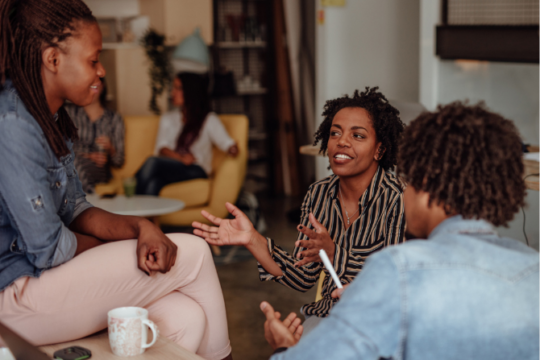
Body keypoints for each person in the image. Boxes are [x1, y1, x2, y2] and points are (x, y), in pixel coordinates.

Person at [0, 1, 231, 359]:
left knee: (185, 316)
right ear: (52, 59)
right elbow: (49, 248)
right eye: (93, 60)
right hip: (14, 296)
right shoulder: (13, 125)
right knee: (196, 253)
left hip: (42, 284)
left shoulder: (51, 121)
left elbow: (76, 208)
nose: (101, 71)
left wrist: (141, 227)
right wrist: (119, 247)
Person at [259, 102, 539, 359]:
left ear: (425, 183)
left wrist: (284, 347)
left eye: (409, 180)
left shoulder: (399, 270)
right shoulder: (533, 269)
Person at [193, 88, 406, 332]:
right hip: (329, 318)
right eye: (335, 133)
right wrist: (252, 239)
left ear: (379, 149)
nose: (342, 141)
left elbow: (395, 279)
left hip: (381, 322)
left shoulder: (398, 197)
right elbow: (302, 276)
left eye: (358, 135)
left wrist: (334, 253)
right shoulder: (318, 194)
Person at [135, 72, 238, 196]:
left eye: (178, 88)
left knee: (152, 162)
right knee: (153, 184)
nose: (172, 92)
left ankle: (128, 199)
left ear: (191, 91)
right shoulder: (168, 118)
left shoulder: (208, 119)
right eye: (173, 88)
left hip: (196, 169)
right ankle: (140, 214)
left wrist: (232, 149)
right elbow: (161, 148)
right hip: (174, 166)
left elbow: (227, 143)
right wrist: (181, 159)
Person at [65, 77, 125, 194]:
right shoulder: (70, 113)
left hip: (98, 169)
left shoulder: (114, 119)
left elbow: (119, 161)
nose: (93, 84)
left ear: (102, 86)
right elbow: (60, 147)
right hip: (73, 161)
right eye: (89, 81)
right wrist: (88, 155)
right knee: (71, 162)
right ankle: (89, 198)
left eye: (97, 81)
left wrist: (110, 149)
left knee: (71, 165)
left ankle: (85, 204)